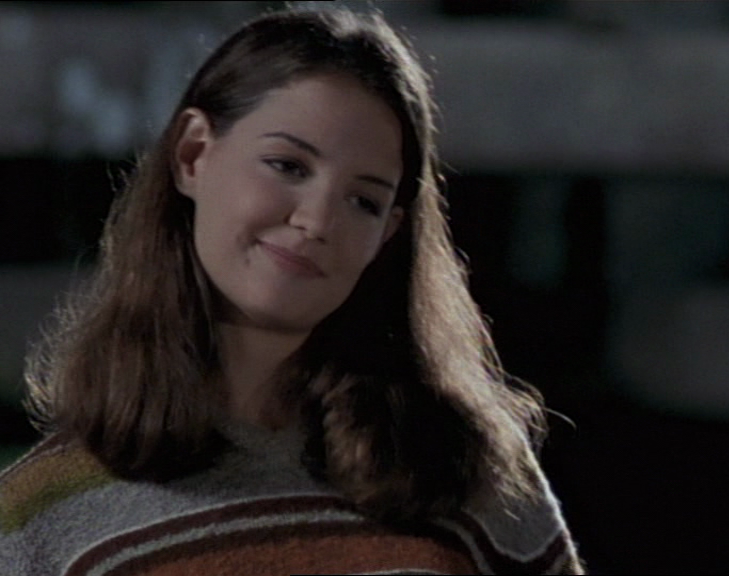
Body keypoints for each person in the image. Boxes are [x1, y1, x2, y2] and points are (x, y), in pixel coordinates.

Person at [0, 6, 585, 575]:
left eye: (364, 201)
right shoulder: (41, 522)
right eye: (288, 166)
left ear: (388, 233)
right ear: (193, 154)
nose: (318, 220)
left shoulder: (464, 470)